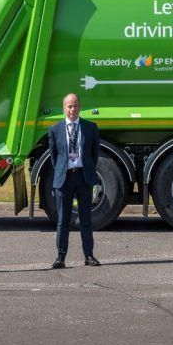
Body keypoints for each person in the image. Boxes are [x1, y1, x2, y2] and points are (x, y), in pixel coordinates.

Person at [49, 93, 102, 268]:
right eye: (69, 106)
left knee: (85, 219)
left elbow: (94, 154)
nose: (72, 109)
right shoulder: (55, 129)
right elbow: (55, 157)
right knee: (63, 220)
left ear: (80, 107)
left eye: (75, 106)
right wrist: (63, 170)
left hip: (83, 177)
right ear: (64, 108)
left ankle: (89, 256)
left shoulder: (90, 127)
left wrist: (86, 170)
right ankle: (60, 257)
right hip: (64, 179)